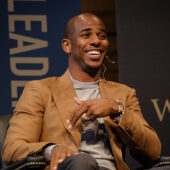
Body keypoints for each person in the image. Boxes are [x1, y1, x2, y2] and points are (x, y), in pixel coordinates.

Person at [2, 12, 161, 170]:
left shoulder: (123, 94)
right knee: (83, 161)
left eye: (102, 36)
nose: (96, 41)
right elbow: (12, 148)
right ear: (67, 45)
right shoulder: (41, 90)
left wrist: (117, 110)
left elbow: (153, 153)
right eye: (86, 35)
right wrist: (52, 149)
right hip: (73, 165)